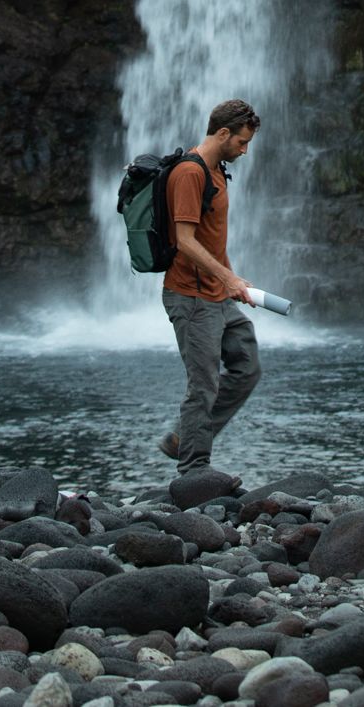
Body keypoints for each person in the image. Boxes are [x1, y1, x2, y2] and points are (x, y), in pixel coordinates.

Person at [158, 98, 261, 477]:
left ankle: (185, 439)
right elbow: (184, 239)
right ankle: (193, 472)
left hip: (217, 294)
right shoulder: (190, 173)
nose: (245, 151)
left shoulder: (219, 171)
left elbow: (213, 238)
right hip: (191, 296)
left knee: (247, 367)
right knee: (203, 386)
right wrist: (227, 277)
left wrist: (232, 281)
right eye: (242, 142)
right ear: (222, 133)